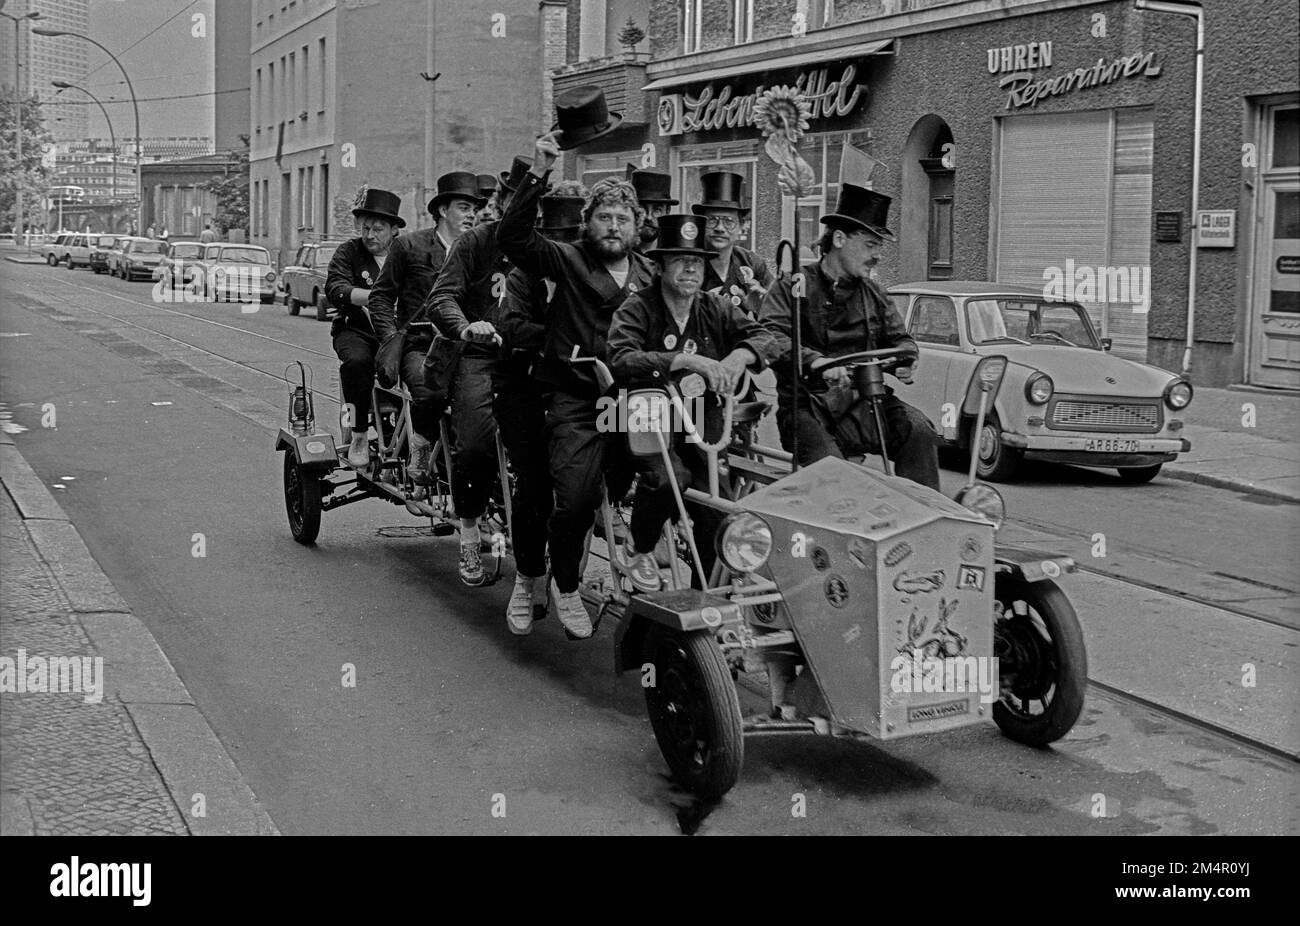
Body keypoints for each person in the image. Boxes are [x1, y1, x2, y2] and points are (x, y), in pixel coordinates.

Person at [497, 128, 655, 639]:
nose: (614, 226)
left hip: (632, 401)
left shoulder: (652, 275)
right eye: (604, 217)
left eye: (623, 218)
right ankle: (561, 585)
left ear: (638, 226)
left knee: (676, 474)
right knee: (574, 496)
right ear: (587, 224)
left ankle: (644, 558)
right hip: (575, 399)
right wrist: (539, 170)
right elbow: (514, 239)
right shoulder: (568, 260)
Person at [608, 213, 779, 591]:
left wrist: (740, 356)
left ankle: (711, 595)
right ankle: (640, 548)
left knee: (714, 503)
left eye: (698, 262)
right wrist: (682, 360)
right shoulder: (637, 307)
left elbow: (767, 336)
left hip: (700, 414)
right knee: (670, 476)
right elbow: (620, 359)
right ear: (662, 265)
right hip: (644, 413)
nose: (691, 269)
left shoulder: (713, 307)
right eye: (681, 261)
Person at [759, 184, 941, 490]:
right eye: (870, 245)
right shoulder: (794, 286)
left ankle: (924, 520)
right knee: (835, 479)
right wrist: (818, 363)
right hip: (807, 409)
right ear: (840, 239)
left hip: (866, 403)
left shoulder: (874, 293)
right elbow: (770, 337)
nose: (877, 256)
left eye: (879, 247)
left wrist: (907, 358)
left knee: (919, 430)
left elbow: (901, 340)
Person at [424, 157, 532, 587]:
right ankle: (469, 532)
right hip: (478, 355)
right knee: (474, 444)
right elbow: (441, 297)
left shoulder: (550, 246)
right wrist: (466, 326)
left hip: (530, 359)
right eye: (518, 203)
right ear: (502, 203)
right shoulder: (474, 244)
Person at [494, 181, 587, 633]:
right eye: (556, 238)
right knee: (533, 486)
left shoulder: (590, 276)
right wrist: (562, 344)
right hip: (523, 387)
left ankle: (569, 584)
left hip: (576, 391)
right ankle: (527, 579)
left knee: (583, 487)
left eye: (572, 237)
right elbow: (511, 327)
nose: (564, 247)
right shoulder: (523, 275)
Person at [369, 171, 484, 484]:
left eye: (475, 209)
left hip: (467, 346)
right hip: (421, 345)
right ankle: (420, 445)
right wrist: (391, 338)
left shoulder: (479, 250)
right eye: (464, 207)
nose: (472, 214)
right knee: (430, 392)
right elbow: (380, 298)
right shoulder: (409, 246)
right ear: (443, 210)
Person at [325, 187, 405, 467]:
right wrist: (373, 297)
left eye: (378, 229)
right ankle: (358, 434)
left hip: (396, 333)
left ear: (394, 230)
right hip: (356, 331)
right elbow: (335, 287)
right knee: (358, 363)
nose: (369, 235)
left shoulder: (407, 254)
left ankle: (415, 438)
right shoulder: (349, 251)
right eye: (366, 228)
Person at [692, 171, 775, 318]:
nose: (720, 228)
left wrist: (762, 306)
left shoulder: (752, 264)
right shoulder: (690, 263)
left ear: (741, 226)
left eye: (728, 221)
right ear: (701, 223)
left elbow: (778, 311)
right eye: (712, 220)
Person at [625, 166, 678, 254]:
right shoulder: (619, 254)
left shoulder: (673, 254)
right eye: (641, 208)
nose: (648, 217)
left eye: (657, 210)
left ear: (667, 211)